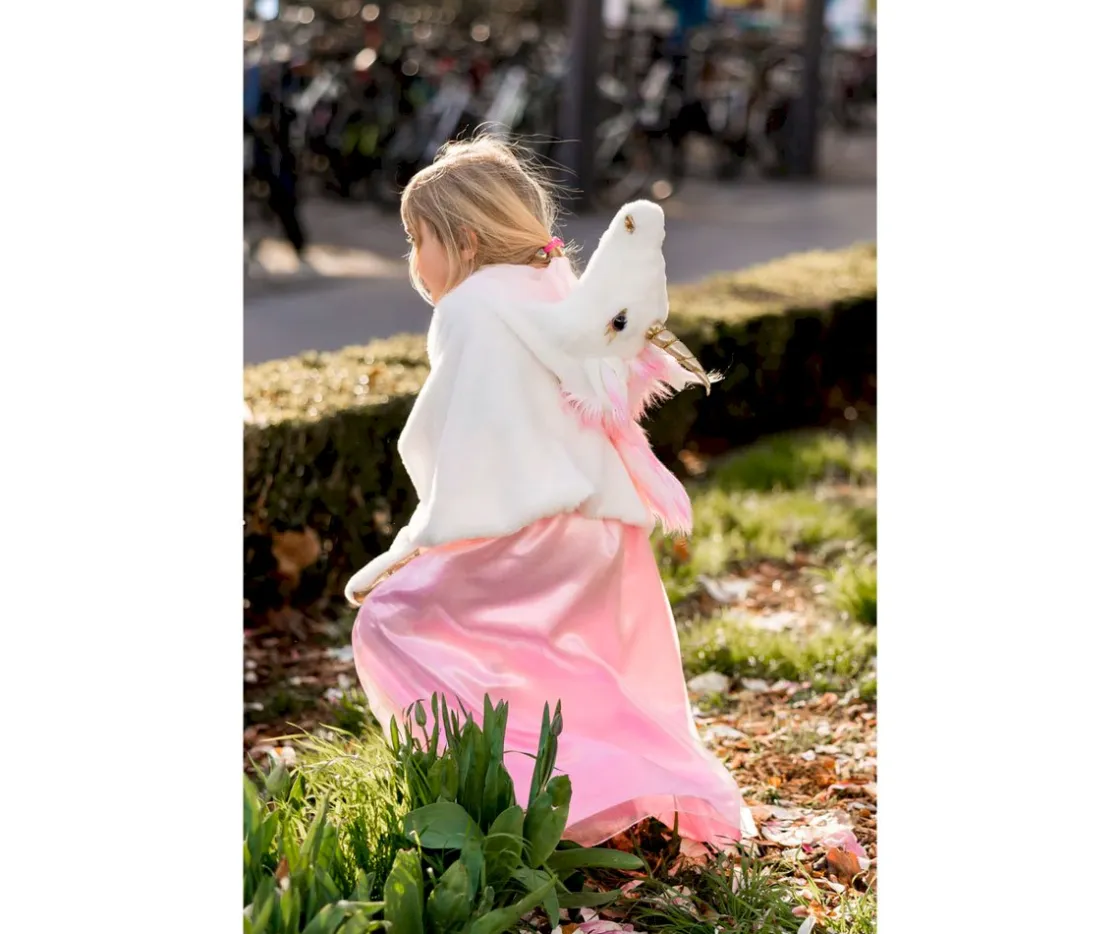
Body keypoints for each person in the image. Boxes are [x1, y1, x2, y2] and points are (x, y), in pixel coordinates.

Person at [345, 137, 746, 850]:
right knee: (565, 669)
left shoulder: (470, 307)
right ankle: (600, 793)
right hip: (602, 528)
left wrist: (412, 547)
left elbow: (469, 442)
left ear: (464, 241)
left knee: (392, 622)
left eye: (416, 239)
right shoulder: (556, 285)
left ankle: (500, 797)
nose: (412, 260)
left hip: (531, 527)